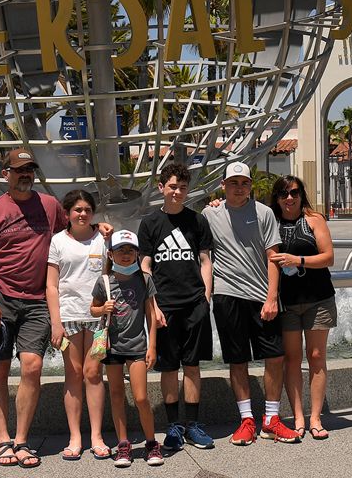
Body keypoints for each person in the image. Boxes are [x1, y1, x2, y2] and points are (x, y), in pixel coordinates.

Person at [0, 149, 66, 468]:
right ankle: (2, 440)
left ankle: (22, 440)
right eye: (19, 170)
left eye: (30, 169)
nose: (25, 174)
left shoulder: (50, 206)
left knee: (32, 367)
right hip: (1, 299)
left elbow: (71, 238)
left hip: (37, 300)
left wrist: (102, 231)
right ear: (6, 174)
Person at [203, 162, 301, 445]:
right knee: (237, 359)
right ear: (223, 185)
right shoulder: (210, 213)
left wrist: (272, 297)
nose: (238, 187)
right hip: (227, 295)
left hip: (261, 297)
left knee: (275, 356)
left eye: (243, 183)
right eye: (233, 182)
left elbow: (274, 257)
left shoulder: (264, 213)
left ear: (250, 186)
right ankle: (246, 419)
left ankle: (271, 419)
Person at [137, 162, 215, 451]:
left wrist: (205, 297)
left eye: (182, 187)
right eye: (172, 186)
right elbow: (144, 266)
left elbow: (205, 261)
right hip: (164, 306)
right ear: (161, 187)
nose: (178, 192)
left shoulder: (197, 221)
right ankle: (173, 426)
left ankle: (193, 425)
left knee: (192, 366)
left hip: (194, 303)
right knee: (168, 367)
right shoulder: (150, 224)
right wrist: (152, 304)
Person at [267, 176, 336, 440]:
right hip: (287, 303)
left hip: (318, 298)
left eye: (294, 192)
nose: (289, 198)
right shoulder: (269, 222)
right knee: (292, 359)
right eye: (283, 193)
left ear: (301, 194)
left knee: (317, 356)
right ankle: (297, 416)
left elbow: (328, 257)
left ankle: (315, 418)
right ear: (277, 197)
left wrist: (299, 260)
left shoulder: (314, 220)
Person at [46, 189, 109, 460]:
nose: (82, 214)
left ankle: (96, 435)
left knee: (93, 374)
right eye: (77, 210)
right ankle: (75, 436)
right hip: (69, 317)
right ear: (67, 214)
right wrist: (55, 322)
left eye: (87, 210)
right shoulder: (58, 241)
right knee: (73, 375)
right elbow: (51, 285)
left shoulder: (104, 239)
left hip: (97, 318)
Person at [92, 230, 164, 467]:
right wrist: (103, 309)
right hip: (112, 347)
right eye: (121, 250)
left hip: (136, 346)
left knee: (142, 397)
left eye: (130, 250)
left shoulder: (144, 279)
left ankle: (152, 442)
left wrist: (152, 345)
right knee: (116, 396)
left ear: (137, 253)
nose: (125, 255)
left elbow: (151, 315)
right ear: (110, 254)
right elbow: (93, 309)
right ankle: (123, 445)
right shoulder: (104, 281)